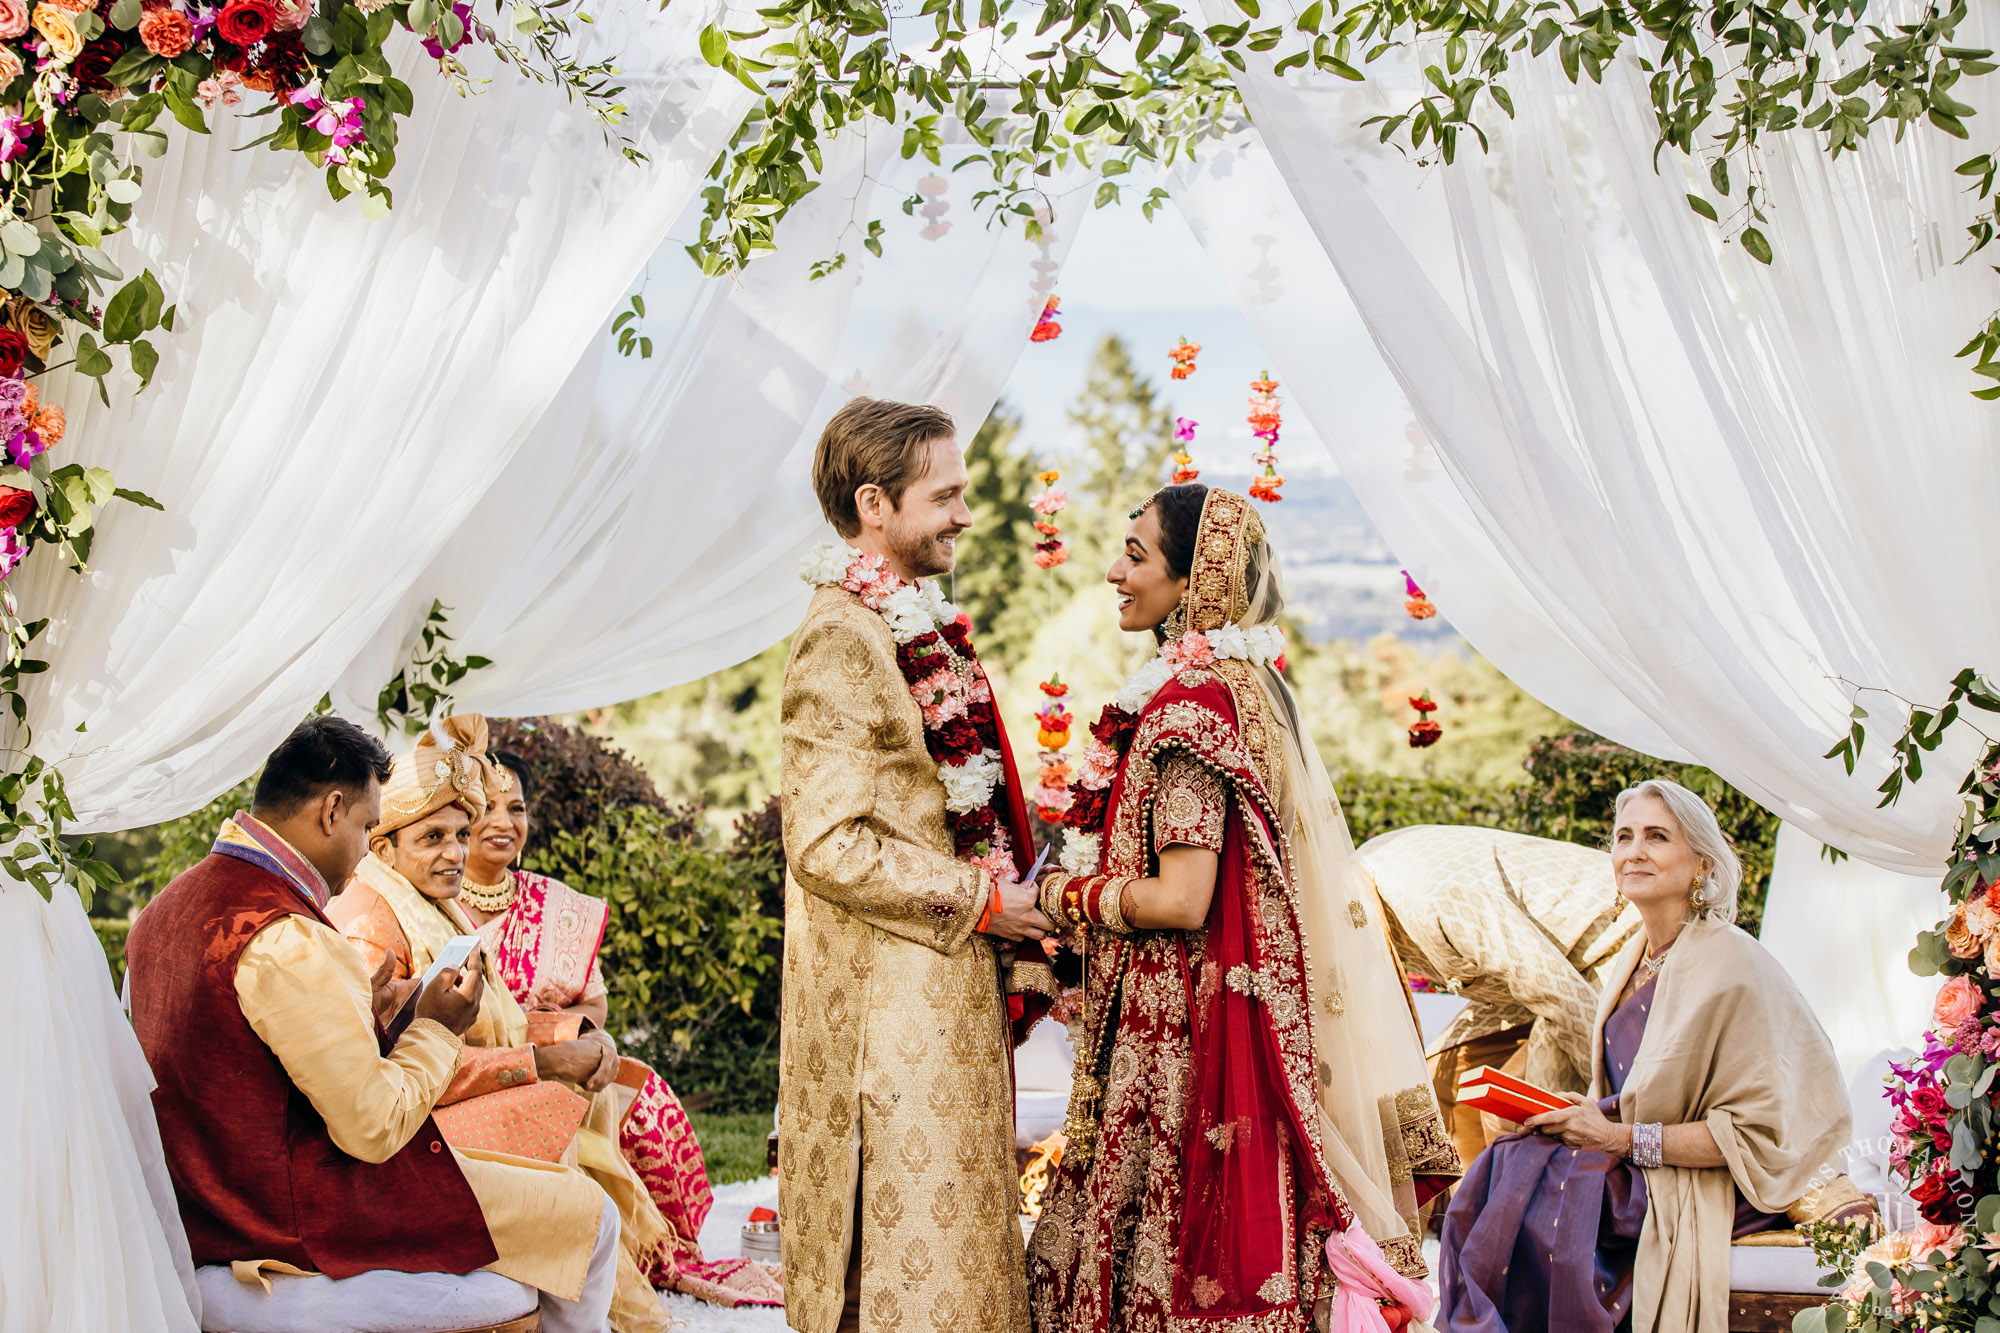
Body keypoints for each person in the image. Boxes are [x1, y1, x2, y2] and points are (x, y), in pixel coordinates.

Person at [1026, 484, 1461, 1333]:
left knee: (1162, 1247)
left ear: (1196, 583)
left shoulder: (1191, 704)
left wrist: (1067, 895)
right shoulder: (1248, 690)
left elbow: (1184, 898)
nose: (1115, 570)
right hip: (1217, 1015)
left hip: (1178, 1034)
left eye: (1137, 554)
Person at [125, 716, 621, 1333]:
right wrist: (436, 1027)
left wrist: (369, 1003)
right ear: (332, 810)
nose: (365, 850)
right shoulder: (288, 934)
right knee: (591, 1219)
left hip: (207, 1199)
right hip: (295, 1213)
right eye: (366, 826)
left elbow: (241, 1048)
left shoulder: (165, 908)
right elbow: (374, 1129)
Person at [780, 396, 1054, 1333]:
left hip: (937, 997)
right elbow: (823, 842)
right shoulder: (843, 638)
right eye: (946, 496)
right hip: (885, 1016)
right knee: (894, 1269)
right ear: (874, 505)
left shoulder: (907, 620)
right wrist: (984, 898)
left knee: (956, 1261)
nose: (966, 516)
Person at [1437, 778, 1870, 1333]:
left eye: (1657, 836)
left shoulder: (1735, 964)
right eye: (1624, 836)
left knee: (1550, 1181)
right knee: (1512, 1155)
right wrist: (1590, 1111)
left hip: (1714, 1178)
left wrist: (1617, 1137)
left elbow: (1755, 1135)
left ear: (1702, 866)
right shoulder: (1635, 957)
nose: (1635, 850)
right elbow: (1636, 1090)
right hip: (1635, 1158)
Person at [327, 716, 673, 1333]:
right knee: (552, 1116)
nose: (455, 853)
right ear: (383, 846)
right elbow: (389, 1074)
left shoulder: (432, 903)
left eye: (461, 833)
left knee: (577, 1093)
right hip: (402, 1139)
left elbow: (494, 1019)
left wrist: (574, 1037)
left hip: (438, 1109)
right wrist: (541, 1064)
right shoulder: (369, 924)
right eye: (432, 836)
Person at [452, 734, 785, 1309]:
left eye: (517, 807)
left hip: (559, 1061)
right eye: (485, 807)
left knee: (637, 1084)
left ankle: (643, 1246)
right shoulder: (432, 896)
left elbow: (593, 1006)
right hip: (476, 1068)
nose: (503, 822)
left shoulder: (560, 906)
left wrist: (557, 1034)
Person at [1356, 824, 1640, 1165]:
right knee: (1443, 1083)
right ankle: (1468, 1215)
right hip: (1540, 970)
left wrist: (1619, 1117)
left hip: (1614, 944)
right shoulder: (1357, 888)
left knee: (1518, 1116)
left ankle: (1529, 1205)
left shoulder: (1436, 898)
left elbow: (1560, 995)